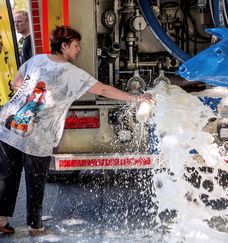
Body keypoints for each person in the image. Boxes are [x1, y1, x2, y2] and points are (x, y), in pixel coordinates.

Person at [0, 26, 152, 236]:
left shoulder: (36, 60)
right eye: (76, 45)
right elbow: (104, 90)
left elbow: (16, 84)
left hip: (7, 122)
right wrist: (136, 98)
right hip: (37, 132)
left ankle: (1, 220)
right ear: (64, 46)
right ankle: (35, 226)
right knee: (35, 180)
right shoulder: (71, 73)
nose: (79, 49)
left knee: (6, 174)